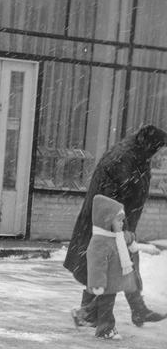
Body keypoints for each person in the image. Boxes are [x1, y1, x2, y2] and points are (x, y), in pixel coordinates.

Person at [64, 124, 167, 327]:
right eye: (160, 149)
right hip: (110, 224)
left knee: (120, 267)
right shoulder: (124, 158)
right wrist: (118, 226)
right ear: (150, 145)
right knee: (109, 271)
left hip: (118, 222)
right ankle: (91, 315)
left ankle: (134, 311)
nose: (160, 154)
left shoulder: (137, 154)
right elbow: (112, 194)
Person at [75, 195, 139, 340]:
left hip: (113, 279)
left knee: (104, 302)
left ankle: (82, 315)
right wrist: (98, 283)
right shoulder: (100, 241)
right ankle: (105, 330)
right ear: (107, 221)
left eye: (123, 220)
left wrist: (132, 241)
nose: (122, 223)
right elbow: (96, 264)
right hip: (106, 281)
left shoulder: (116, 236)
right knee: (106, 305)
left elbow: (126, 237)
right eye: (119, 220)